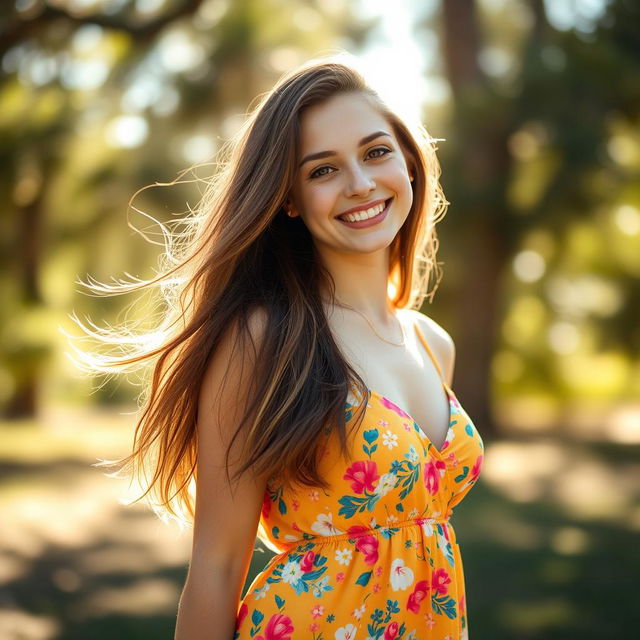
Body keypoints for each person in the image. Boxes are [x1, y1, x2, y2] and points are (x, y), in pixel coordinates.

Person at [70, 54, 483, 640]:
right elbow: (215, 568)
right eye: (322, 171)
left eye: (375, 152)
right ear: (288, 198)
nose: (360, 184)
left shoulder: (432, 342)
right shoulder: (266, 341)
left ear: (409, 164)